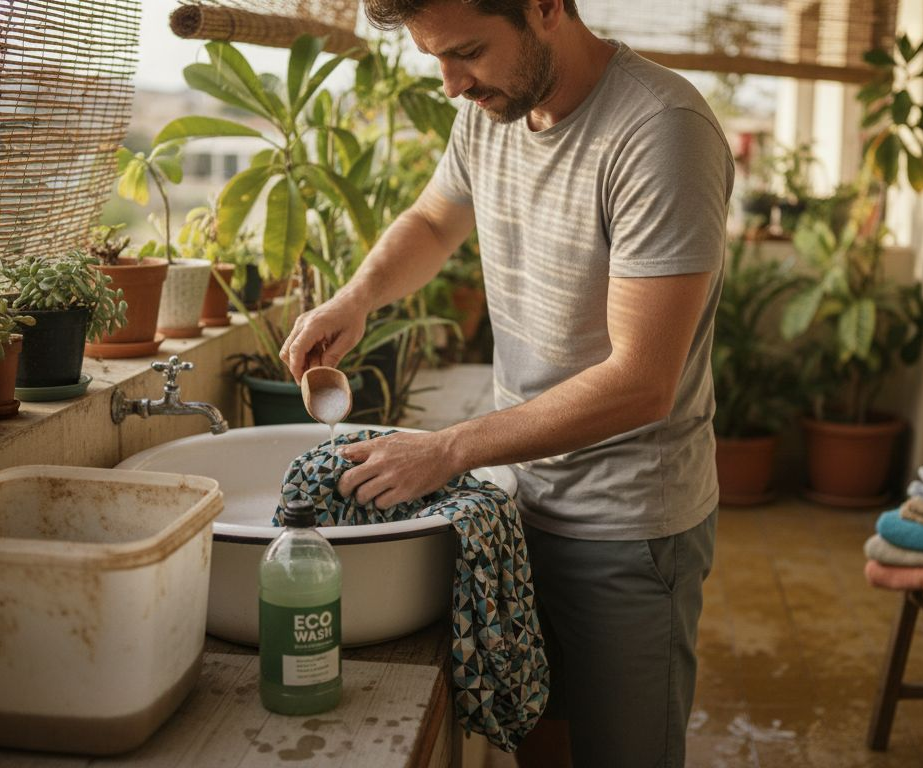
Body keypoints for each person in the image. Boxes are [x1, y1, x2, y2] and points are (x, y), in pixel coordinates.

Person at [280, 0, 733, 764]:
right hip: (520, 506)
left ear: (545, 8)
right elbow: (433, 221)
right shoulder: (493, 109)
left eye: (468, 53)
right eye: (437, 60)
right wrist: (357, 296)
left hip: (628, 526)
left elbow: (641, 382)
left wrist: (448, 449)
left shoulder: (660, 131)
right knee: (539, 744)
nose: (453, 84)